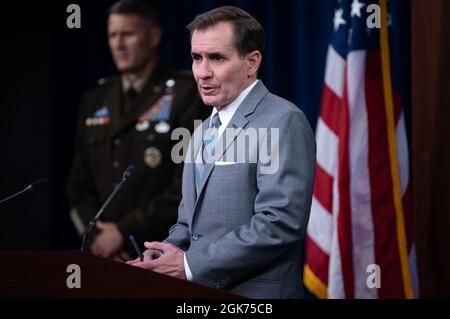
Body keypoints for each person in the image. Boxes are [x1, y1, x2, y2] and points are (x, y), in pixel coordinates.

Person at [127, 6, 316, 298]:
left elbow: (279, 223)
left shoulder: (282, 120)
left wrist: (190, 264)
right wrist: (166, 252)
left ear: (251, 63)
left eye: (216, 57)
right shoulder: (202, 130)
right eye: (196, 58)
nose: (202, 72)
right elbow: (189, 222)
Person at [67, 0, 208, 261]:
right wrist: (98, 237)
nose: (118, 45)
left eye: (128, 34)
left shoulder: (186, 93)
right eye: (112, 35)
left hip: (162, 251)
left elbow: (187, 185)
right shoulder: (95, 99)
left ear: (153, 36)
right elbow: (78, 186)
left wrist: (122, 232)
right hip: (105, 256)